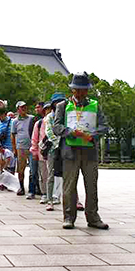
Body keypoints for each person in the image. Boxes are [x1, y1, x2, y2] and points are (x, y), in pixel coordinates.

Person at [53, 72, 109, 230]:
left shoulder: (95, 105)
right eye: (77, 89)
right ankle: (68, 217)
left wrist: (92, 136)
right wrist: (70, 132)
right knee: (69, 186)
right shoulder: (62, 106)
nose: (80, 92)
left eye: (83, 89)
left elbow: (104, 126)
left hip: (89, 150)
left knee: (91, 185)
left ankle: (93, 217)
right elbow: (56, 127)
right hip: (70, 150)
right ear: (72, 89)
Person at [44, 93, 66, 210]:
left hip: (66, 147)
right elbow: (49, 132)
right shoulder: (50, 117)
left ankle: (72, 200)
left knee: (70, 175)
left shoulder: (67, 115)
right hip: (53, 149)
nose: (59, 104)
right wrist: (58, 143)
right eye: (57, 102)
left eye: (61, 102)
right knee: (51, 174)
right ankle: (49, 200)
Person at [11, 101, 35, 197]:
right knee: (21, 169)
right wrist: (14, 149)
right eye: (22, 107)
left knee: (33, 169)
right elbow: (13, 135)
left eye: (25, 107)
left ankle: (32, 189)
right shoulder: (15, 121)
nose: (24, 109)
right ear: (18, 109)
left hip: (32, 147)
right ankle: (21, 187)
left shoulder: (32, 118)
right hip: (21, 147)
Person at [31, 100, 50, 205]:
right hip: (42, 153)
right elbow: (34, 139)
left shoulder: (57, 123)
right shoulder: (39, 123)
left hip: (55, 154)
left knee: (54, 176)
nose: (49, 112)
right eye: (47, 109)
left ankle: (54, 195)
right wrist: (34, 152)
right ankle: (44, 193)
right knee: (43, 175)